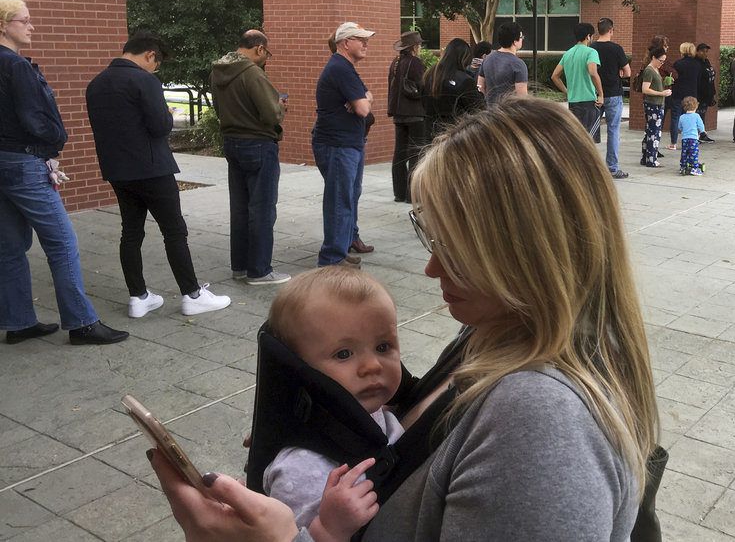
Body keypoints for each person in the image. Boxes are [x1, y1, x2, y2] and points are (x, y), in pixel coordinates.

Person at [150, 96, 659, 542]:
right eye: (431, 238)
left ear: (528, 252)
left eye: (456, 249)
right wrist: (328, 425)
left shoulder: (542, 423)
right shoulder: (495, 332)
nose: (431, 266)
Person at [0, 0, 129, 345]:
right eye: (23, 21)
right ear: (3, 25)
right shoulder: (15, 65)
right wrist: (56, 139)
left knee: (9, 246)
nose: (31, 26)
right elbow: (34, 119)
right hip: (24, 163)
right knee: (62, 242)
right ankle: (82, 323)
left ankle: (19, 321)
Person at [86, 31, 231, 318]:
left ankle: (138, 297)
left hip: (118, 170)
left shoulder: (96, 84)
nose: (156, 68)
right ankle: (192, 294)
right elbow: (161, 126)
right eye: (157, 62)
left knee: (131, 232)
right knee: (174, 231)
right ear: (150, 54)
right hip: (152, 169)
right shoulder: (144, 80)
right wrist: (166, 112)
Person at [263, 267, 403, 534]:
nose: (372, 366)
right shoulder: (301, 470)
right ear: (299, 369)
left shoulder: (370, 412)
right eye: (343, 354)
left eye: (383, 347)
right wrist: (328, 529)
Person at [211, 30, 289, 286]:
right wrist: (280, 107)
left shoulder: (218, 71)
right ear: (259, 48)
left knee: (240, 207)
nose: (266, 57)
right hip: (258, 144)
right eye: (267, 52)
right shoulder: (253, 73)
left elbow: (218, 108)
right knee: (262, 209)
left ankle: (241, 266)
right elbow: (270, 114)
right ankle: (260, 270)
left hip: (232, 143)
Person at [312, 22, 376, 268]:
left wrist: (363, 99)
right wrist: (362, 100)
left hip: (349, 143)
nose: (366, 43)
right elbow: (362, 108)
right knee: (339, 200)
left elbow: (367, 96)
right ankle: (332, 258)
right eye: (360, 39)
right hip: (338, 145)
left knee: (347, 196)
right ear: (345, 43)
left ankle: (342, 246)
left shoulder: (346, 68)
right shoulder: (340, 68)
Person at [387, 31, 426, 203]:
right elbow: (423, 86)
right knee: (415, 153)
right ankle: (412, 194)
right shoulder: (416, 63)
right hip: (415, 112)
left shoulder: (395, 63)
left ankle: (399, 193)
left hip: (398, 113)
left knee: (399, 153)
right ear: (414, 47)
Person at [591, 17, 630, 179]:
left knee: (590, 130)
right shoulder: (617, 49)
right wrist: (620, 72)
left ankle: (589, 166)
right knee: (613, 130)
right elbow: (628, 72)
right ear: (611, 30)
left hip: (594, 94)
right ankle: (612, 168)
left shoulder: (591, 48)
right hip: (613, 93)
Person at [550, 22, 603, 141]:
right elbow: (593, 72)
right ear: (588, 36)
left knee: (576, 140)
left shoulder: (568, 53)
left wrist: (567, 91)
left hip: (573, 102)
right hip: (589, 102)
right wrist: (601, 94)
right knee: (589, 141)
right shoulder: (591, 52)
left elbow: (554, 76)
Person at [421, 37, 484, 137]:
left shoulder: (430, 75)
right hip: (455, 134)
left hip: (430, 131)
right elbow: (477, 108)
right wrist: (480, 93)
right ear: (465, 58)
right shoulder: (465, 80)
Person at [478, 23, 528, 105]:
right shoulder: (518, 64)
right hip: (508, 114)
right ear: (515, 41)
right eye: (521, 37)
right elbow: (522, 98)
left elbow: (480, 87)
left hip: (490, 112)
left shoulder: (487, 59)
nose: (522, 39)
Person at [640, 42, 672, 167]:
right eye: (660, 60)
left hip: (657, 103)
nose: (661, 63)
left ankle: (646, 157)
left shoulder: (655, 69)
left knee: (650, 131)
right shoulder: (649, 70)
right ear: (653, 57)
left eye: (663, 61)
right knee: (654, 132)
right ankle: (651, 159)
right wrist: (661, 93)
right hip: (653, 104)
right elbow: (645, 89)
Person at [667, 42, 700, 150]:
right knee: (691, 118)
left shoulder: (678, 64)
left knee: (675, 118)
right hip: (692, 94)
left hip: (678, 93)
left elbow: (673, 78)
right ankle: (690, 141)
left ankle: (673, 143)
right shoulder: (697, 64)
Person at [677, 96, 705, 176]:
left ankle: (683, 167)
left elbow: (679, 127)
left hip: (685, 139)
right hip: (693, 139)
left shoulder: (682, 117)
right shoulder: (696, 116)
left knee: (684, 153)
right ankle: (694, 168)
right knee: (693, 154)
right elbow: (701, 125)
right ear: (696, 106)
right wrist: (702, 132)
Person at [695, 43, 717, 143]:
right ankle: (696, 135)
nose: (705, 53)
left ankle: (702, 134)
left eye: (706, 51)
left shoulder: (706, 62)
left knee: (702, 114)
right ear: (697, 52)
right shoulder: (696, 63)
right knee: (697, 115)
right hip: (699, 94)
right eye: (702, 51)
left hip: (707, 93)